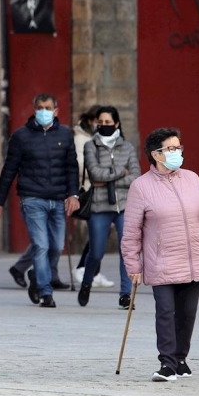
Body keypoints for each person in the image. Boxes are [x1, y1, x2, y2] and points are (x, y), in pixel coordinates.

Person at [122, 127, 199, 382]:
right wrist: (133, 265)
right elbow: (131, 231)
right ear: (156, 154)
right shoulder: (140, 187)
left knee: (187, 313)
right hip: (161, 261)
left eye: (179, 148)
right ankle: (166, 364)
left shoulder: (192, 178)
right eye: (171, 148)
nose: (177, 152)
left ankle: (180, 359)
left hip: (193, 258)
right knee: (166, 311)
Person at [0, 94, 80, 308]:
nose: (44, 111)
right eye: (40, 107)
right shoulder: (21, 136)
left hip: (58, 199)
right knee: (41, 245)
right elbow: (9, 169)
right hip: (32, 198)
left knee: (57, 247)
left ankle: (36, 277)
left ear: (56, 110)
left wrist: (73, 194)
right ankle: (45, 291)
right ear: (34, 109)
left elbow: (71, 167)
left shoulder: (65, 135)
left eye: (48, 107)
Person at [76, 106, 140, 309]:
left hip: (124, 206)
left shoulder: (128, 147)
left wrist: (110, 178)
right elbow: (95, 175)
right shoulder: (90, 146)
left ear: (117, 124)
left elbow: (136, 177)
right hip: (99, 205)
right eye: (100, 123)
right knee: (96, 252)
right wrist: (122, 171)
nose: (103, 126)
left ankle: (125, 294)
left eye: (107, 123)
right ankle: (86, 283)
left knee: (126, 249)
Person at [71, 105, 114, 288]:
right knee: (98, 233)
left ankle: (94, 272)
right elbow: (80, 164)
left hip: (106, 191)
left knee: (101, 234)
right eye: (98, 121)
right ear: (90, 120)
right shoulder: (81, 138)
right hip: (91, 190)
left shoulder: (101, 139)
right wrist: (102, 172)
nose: (101, 124)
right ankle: (83, 267)